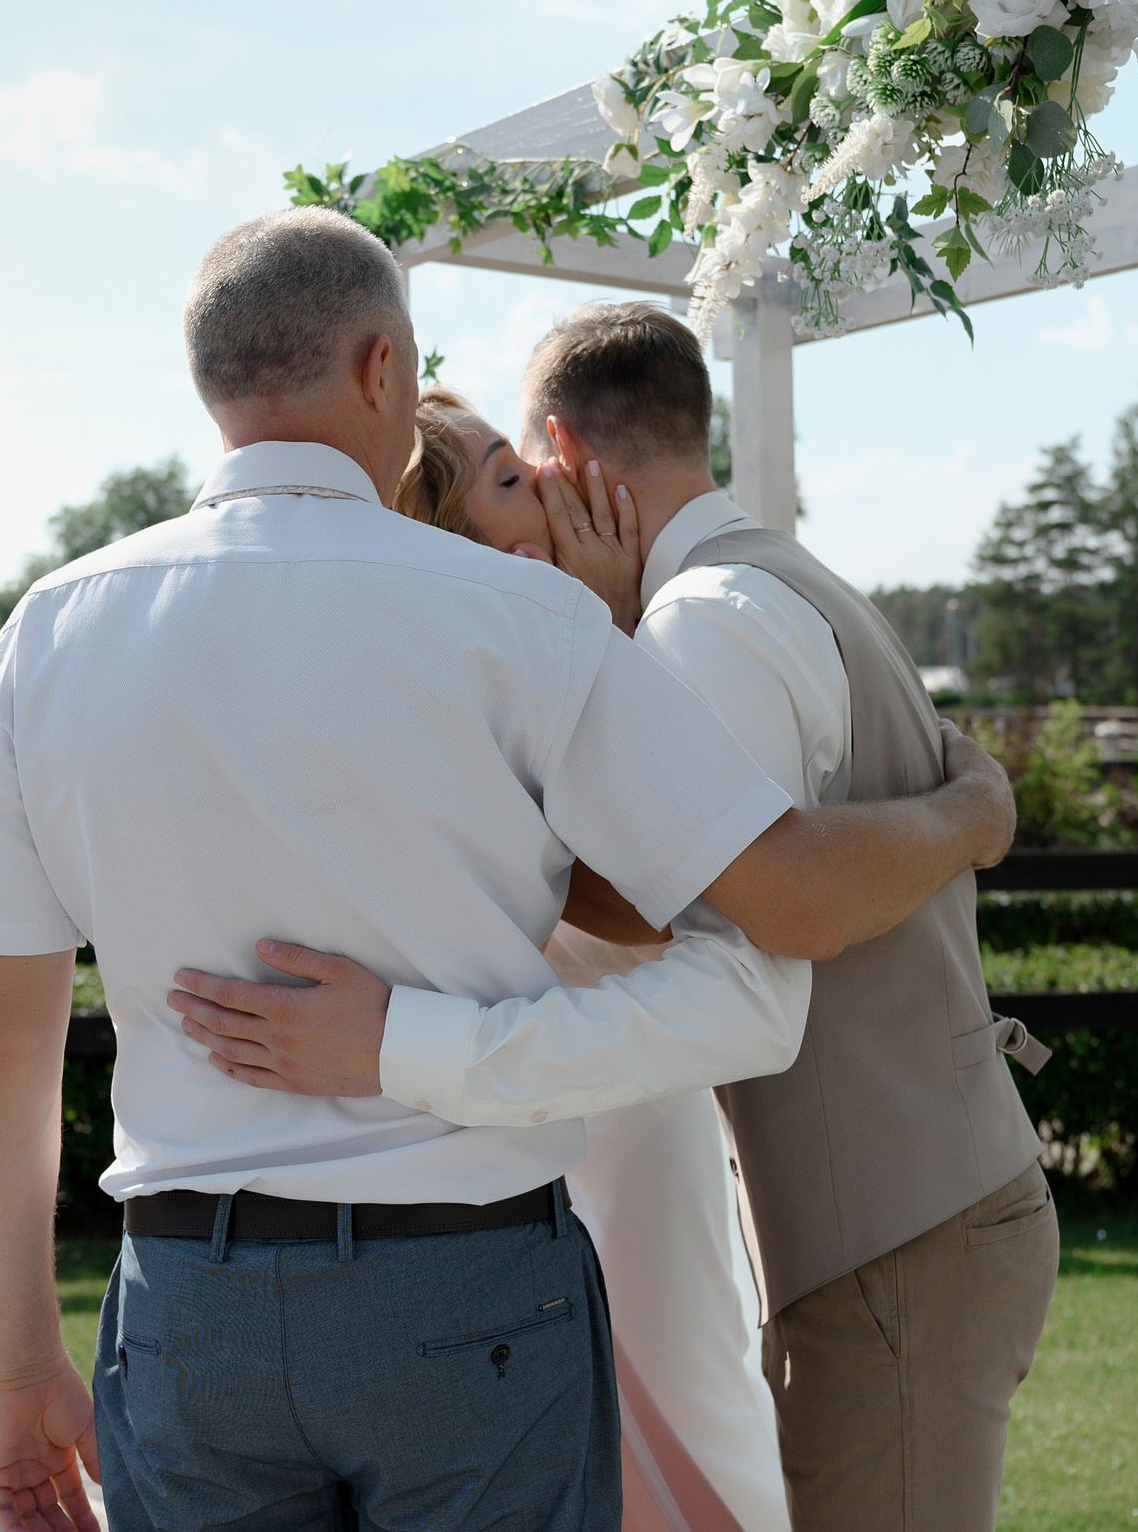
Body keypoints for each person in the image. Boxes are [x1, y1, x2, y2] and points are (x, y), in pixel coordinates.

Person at [0, 207, 1017, 1532]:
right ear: (385, 366)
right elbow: (784, 907)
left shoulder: (47, 635)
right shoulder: (525, 621)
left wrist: (17, 1366)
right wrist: (975, 813)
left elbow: (1, 1047)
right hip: (465, 1289)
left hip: (189, 1299)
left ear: (209, 380)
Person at [398, 386, 785, 1532]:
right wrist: (609, 627)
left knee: (694, 1370)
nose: (551, 483)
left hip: (608, 1066)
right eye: (510, 476)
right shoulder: (506, 659)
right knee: (667, 1374)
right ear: (461, 532)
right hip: (582, 1064)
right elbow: (648, 882)